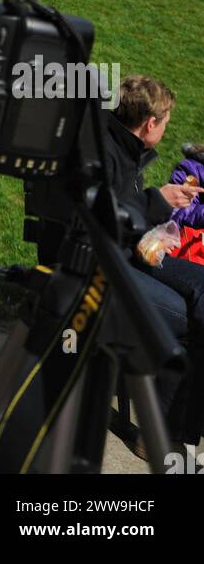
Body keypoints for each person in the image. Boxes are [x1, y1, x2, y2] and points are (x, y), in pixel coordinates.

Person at [101, 75, 204, 451]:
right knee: (195, 320)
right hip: (110, 267)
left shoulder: (117, 144)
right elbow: (109, 218)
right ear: (150, 124)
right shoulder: (110, 151)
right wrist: (158, 201)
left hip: (131, 252)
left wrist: (161, 208)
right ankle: (162, 434)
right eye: (165, 123)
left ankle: (175, 430)